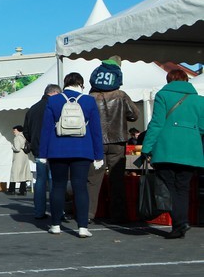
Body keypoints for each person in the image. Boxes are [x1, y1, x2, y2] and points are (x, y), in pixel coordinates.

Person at [141, 68, 204, 239]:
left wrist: (146, 148)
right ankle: (181, 222)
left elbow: (156, 124)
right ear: (186, 81)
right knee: (182, 188)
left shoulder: (163, 96)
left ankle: (180, 223)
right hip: (191, 151)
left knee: (169, 187)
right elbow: (202, 127)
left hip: (166, 149)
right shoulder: (199, 100)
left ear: (169, 80)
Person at [39, 72, 103, 238]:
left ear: (65, 83)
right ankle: (82, 226)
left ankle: (55, 225)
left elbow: (46, 129)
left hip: (57, 149)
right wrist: (98, 155)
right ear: (81, 84)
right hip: (83, 149)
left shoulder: (53, 100)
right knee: (80, 187)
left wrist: (43, 154)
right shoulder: (89, 101)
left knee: (58, 186)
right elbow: (96, 130)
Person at [86, 58, 139, 224]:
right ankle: (118, 215)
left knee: (93, 179)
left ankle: (88, 214)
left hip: (96, 142)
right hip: (118, 141)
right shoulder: (121, 95)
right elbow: (134, 115)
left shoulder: (91, 96)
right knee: (117, 179)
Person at [23, 84, 61, 219]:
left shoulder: (32, 109)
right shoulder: (56, 107)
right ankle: (57, 211)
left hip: (38, 149)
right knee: (54, 180)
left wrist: (34, 141)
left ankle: (39, 211)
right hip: (54, 149)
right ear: (55, 93)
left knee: (40, 180)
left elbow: (26, 131)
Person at [7, 125, 31, 196]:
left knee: (14, 173)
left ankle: (11, 190)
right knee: (23, 174)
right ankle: (23, 190)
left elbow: (17, 148)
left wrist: (12, 147)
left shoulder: (17, 138)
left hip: (18, 158)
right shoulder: (24, 137)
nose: (13, 131)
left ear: (18, 130)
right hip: (24, 157)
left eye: (14, 130)